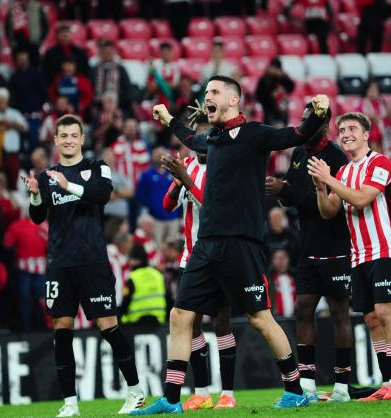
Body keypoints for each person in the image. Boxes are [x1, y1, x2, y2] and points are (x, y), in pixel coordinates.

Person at [135, 76, 329, 414]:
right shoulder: (214, 139)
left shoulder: (254, 134)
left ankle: (295, 388)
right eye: (205, 91)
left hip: (242, 243)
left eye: (213, 92)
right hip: (206, 244)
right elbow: (192, 139)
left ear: (233, 100)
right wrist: (168, 120)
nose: (206, 96)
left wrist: (317, 113)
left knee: (260, 318)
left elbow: (295, 135)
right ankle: (170, 399)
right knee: (180, 315)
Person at [21, 114, 145, 417]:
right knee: (61, 328)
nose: (68, 140)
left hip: (92, 260)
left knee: (108, 326)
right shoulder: (47, 175)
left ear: (81, 138)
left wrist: (69, 185)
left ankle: (136, 392)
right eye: (63, 135)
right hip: (60, 263)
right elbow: (37, 216)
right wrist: (37, 195)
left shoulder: (95, 166)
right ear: (55, 139)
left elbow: (103, 194)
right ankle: (71, 403)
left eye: (74, 135)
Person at [308, 111, 391, 401]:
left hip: (386, 248)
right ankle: (387, 382)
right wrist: (320, 186)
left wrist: (329, 179)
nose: (346, 133)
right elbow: (329, 211)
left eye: (352, 128)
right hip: (359, 254)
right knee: (372, 319)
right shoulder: (342, 172)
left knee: (387, 313)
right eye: (341, 129)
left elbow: (362, 199)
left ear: (367, 135)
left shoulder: (380, 162)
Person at [266, 103, 353, 402]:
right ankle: (307, 383)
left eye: (309, 120)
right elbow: (295, 198)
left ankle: (342, 384)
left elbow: (330, 204)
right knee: (304, 309)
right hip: (309, 247)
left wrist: (287, 191)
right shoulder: (299, 153)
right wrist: (281, 191)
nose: (302, 125)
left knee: (340, 313)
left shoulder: (336, 157)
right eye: (301, 119)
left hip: (337, 246)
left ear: (324, 123)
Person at [162, 148, 237, 410]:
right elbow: (167, 205)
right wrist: (177, 184)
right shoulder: (187, 165)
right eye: (197, 139)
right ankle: (202, 392)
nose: (201, 145)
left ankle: (227, 394)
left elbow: (215, 209)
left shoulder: (224, 166)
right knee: (189, 324)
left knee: (221, 322)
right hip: (190, 258)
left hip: (219, 258)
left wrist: (186, 179)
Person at [121, 245, 167, 325]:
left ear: (137, 260)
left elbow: (125, 301)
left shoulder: (132, 277)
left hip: (135, 323)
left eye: (131, 259)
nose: (130, 262)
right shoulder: (158, 275)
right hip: (159, 322)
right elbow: (167, 298)